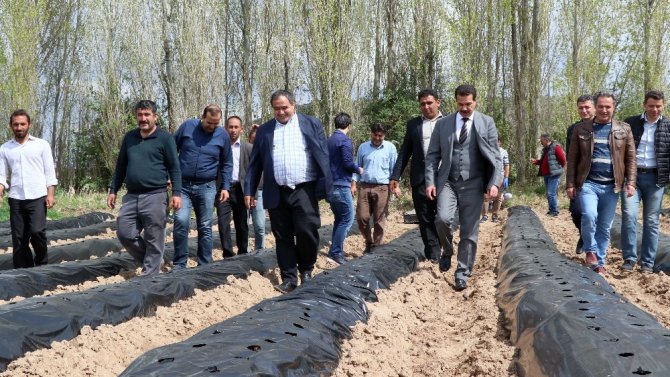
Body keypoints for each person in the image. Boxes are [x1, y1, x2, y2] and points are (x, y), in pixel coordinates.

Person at [244, 90, 332, 294]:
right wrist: (249, 190)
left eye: (285, 107)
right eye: (277, 108)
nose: (281, 112)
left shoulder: (311, 123)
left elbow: (323, 155)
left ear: (294, 105)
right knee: (282, 235)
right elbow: (255, 164)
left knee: (306, 231)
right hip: (277, 191)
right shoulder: (265, 130)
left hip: (304, 189)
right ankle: (289, 278)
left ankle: (307, 270)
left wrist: (326, 185)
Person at [425, 84, 502, 291]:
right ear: (455, 102)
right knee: (442, 219)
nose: (465, 108)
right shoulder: (443, 125)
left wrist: (494, 183)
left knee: (469, 232)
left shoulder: (487, 123)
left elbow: (496, 157)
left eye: (468, 104)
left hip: (475, 183)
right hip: (448, 181)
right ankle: (447, 250)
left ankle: (462, 272)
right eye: (461, 104)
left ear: (475, 101)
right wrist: (431, 182)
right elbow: (432, 156)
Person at [107, 100, 182, 275]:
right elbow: (120, 166)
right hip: (132, 196)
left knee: (154, 237)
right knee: (125, 233)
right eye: (140, 115)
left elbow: (174, 168)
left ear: (155, 117)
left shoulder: (165, 138)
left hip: (155, 195)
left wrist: (176, 193)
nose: (143, 118)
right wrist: (113, 189)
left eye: (147, 114)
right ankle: (154, 261)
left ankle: (150, 276)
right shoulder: (130, 138)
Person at [566, 91, 636, 275]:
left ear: (613, 107)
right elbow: (572, 159)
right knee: (589, 216)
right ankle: (590, 250)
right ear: (595, 107)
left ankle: (600, 262)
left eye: (608, 106)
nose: (604, 110)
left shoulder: (624, 129)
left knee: (604, 227)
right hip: (588, 184)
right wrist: (570, 184)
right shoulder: (581, 129)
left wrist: (631, 182)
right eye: (601, 106)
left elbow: (630, 159)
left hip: (612, 187)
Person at [172, 105, 232, 270]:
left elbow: (227, 163)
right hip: (183, 185)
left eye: (215, 124)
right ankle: (179, 263)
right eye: (209, 123)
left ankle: (204, 264)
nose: (212, 127)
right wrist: (169, 176)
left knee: (205, 225)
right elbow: (171, 150)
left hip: (207, 186)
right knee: (181, 221)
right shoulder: (187, 127)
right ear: (202, 117)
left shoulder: (222, 135)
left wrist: (226, 186)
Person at [620, 90, 670, 273]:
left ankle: (647, 262)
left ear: (663, 105)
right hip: (632, 178)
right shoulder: (630, 123)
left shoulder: (668, 126)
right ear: (644, 105)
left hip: (656, 179)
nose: (654, 109)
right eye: (651, 106)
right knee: (629, 216)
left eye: (658, 106)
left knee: (651, 221)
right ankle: (630, 258)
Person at [0, 109, 58, 268]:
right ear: (11, 126)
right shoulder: (5, 148)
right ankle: (22, 272)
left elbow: (49, 172)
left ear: (29, 124)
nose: (19, 127)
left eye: (22, 124)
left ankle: (41, 265)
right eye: (16, 124)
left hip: (38, 196)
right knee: (19, 238)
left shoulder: (41, 145)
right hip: (16, 198)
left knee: (37, 232)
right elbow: (2, 174)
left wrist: (51, 194)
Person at [390, 89, 443, 262]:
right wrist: (395, 176)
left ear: (438, 102)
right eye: (422, 104)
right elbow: (405, 152)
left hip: (444, 179)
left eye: (429, 103)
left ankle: (443, 246)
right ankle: (433, 254)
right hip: (420, 179)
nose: (426, 107)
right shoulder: (413, 125)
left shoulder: (450, 122)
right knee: (425, 218)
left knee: (443, 218)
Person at [354, 123, 397, 254]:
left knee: (379, 219)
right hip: (365, 186)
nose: (377, 138)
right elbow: (357, 166)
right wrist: (353, 183)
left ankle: (376, 247)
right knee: (362, 218)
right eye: (375, 134)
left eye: (380, 135)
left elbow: (394, 169)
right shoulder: (363, 147)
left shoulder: (390, 148)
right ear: (371, 133)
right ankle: (368, 241)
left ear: (384, 135)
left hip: (382, 187)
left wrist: (395, 185)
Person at [327, 112, 362, 264]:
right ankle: (336, 253)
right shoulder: (345, 141)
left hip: (330, 185)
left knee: (339, 219)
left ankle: (334, 249)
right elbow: (347, 163)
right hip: (341, 185)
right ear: (349, 125)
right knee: (347, 219)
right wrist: (358, 169)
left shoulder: (329, 140)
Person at [217, 116, 250, 257]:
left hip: (240, 190)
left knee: (241, 223)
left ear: (241, 129)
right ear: (225, 128)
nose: (233, 130)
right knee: (223, 223)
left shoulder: (248, 148)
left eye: (236, 127)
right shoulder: (218, 147)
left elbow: (253, 171)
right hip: (223, 190)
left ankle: (243, 252)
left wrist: (251, 192)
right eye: (230, 127)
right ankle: (228, 253)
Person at [566, 95, 595, 254]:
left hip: (598, 177)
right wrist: (570, 182)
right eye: (581, 108)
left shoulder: (603, 126)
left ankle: (592, 247)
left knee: (592, 214)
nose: (584, 111)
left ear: (594, 107)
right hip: (579, 178)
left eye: (587, 107)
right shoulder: (573, 129)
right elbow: (570, 156)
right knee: (576, 211)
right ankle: (584, 236)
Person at [531, 134, 566, 217]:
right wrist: (535, 161)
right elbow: (542, 162)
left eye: (542, 140)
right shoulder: (546, 149)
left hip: (554, 174)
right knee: (548, 193)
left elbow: (563, 159)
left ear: (546, 140)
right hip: (546, 174)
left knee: (551, 193)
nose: (541, 142)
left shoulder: (556, 147)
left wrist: (558, 169)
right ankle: (551, 210)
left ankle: (554, 211)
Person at [481, 136, 509, 223]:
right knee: (486, 196)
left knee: (498, 196)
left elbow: (506, 165)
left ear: (499, 142)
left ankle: (495, 215)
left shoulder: (503, 152)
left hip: (500, 175)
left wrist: (506, 177)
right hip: (488, 175)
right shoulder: (486, 151)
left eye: (496, 141)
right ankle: (484, 215)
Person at [247, 124, 265, 250]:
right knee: (244, 225)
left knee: (259, 226)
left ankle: (260, 249)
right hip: (245, 193)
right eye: (253, 140)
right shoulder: (245, 151)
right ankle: (245, 250)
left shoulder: (265, 153)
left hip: (260, 192)